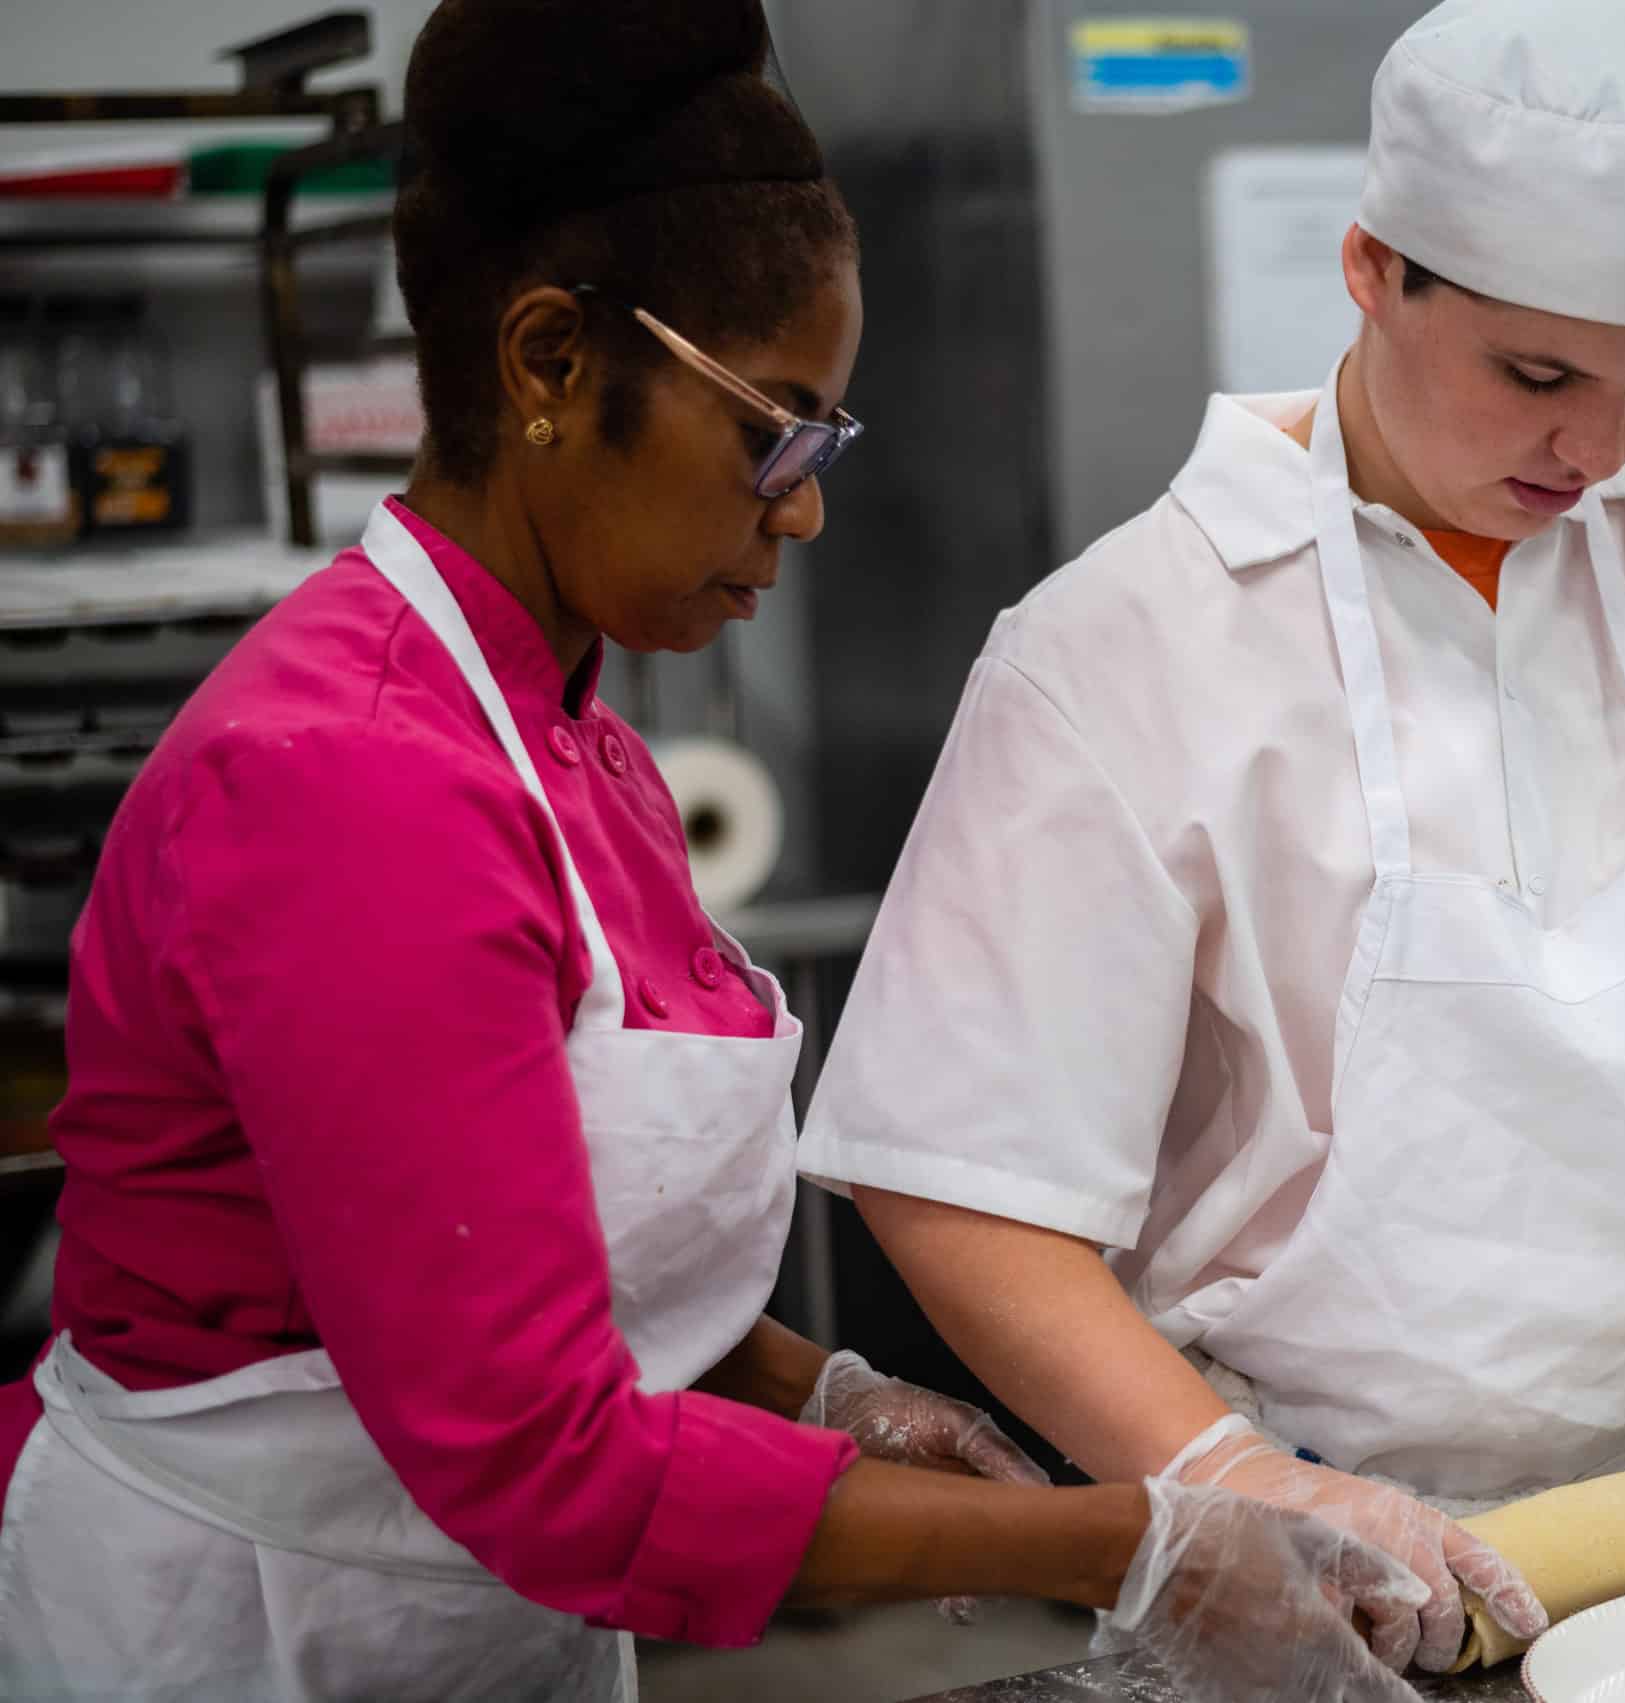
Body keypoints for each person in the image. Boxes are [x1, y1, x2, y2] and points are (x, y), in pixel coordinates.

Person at [0, 5, 1429, 1700]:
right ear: (545, 363)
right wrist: (1130, 1545)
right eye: (779, 431)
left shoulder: (569, 739)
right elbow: (545, 1465)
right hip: (240, 1630)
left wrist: (811, 1385)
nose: (806, 506)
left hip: (465, 1614)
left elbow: (518, 1247)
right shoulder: (351, 790)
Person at [803, 0, 1625, 1674]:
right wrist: (1232, 1481)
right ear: (1371, 270)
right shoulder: (1126, 648)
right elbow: (965, 1187)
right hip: (1321, 1573)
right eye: (1537, 376)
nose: (1596, 447)